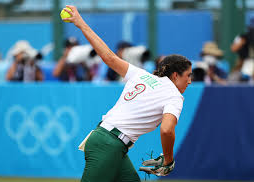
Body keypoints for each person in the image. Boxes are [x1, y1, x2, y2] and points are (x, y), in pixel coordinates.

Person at [63, 5, 192, 182]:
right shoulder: (174, 96)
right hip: (109, 144)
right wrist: (169, 159)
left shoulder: (142, 75)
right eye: (188, 75)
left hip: (110, 141)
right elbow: (167, 129)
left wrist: (81, 23)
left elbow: (109, 57)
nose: (190, 80)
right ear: (176, 75)